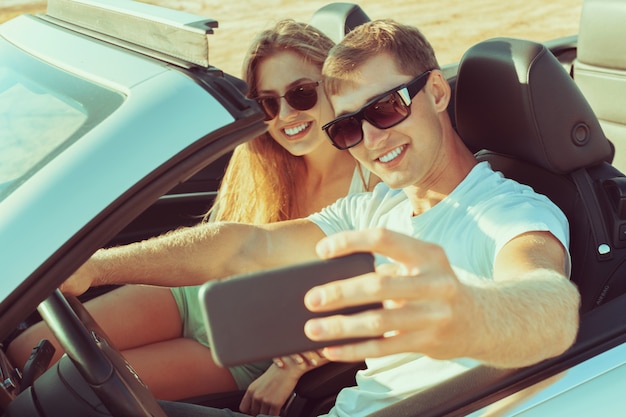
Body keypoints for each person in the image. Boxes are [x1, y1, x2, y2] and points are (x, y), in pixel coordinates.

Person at [52, 19, 580, 417]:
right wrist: (95, 265)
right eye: (349, 127)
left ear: (437, 92)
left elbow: (548, 304)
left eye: (386, 108)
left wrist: (470, 313)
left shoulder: (510, 211)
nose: (372, 141)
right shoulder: (378, 207)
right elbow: (243, 247)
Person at [7, 20, 376, 413]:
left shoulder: (371, 180)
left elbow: (379, 292)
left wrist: (296, 366)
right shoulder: (264, 163)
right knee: (23, 349)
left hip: (249, 344)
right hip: (194, 294)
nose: (285, 114)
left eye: (301, 94)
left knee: (58, 394)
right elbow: (220, 248)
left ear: (334, 84)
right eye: (268, 102)